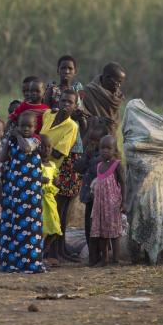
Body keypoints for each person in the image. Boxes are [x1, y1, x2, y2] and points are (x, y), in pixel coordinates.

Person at [0, 112, 47, 273]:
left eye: (29, 126)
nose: (26, 129)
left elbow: (26, 148)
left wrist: (18, 135)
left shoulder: (35, 140)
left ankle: (31, 262)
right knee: (14, 224)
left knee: (30, 225)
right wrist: (8, 138)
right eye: (22, 126)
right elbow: (2, 157)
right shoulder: (13, 141)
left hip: (31, 193)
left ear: (35, 127)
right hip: (15, 191)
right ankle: (13, 262)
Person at [40, 91, 81, 260]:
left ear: (75, 106)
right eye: (64, 100)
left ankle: (53, 251)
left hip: (52, 171)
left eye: (70, 102)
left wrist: (39, 150)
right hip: (38, 168)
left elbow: (58, 154)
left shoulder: (72, 126)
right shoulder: (48, 114)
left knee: (55, 212)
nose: (66, 104)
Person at [75, 120, 110, 266]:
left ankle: (103, 256)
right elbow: (78, 168)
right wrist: (86, 156)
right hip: (89, 198)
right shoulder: (88, 153)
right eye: (92, 140)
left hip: (101, 199)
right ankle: (92, 256)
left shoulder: (105, 157)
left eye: (97, 141)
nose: (93, 143)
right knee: (89, 227)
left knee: (100, 229)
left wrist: (89, 158)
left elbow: (98, 169)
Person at [90, 135, 126, 267]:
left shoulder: (117, 165)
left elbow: (123, 183)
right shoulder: (99, 165)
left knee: (114, 233)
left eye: (108, 148)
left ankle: (116, 260)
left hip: (113, 205)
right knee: (102, 234)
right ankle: (104, 259)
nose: (105, 151)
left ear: (114, 149)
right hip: (100, 205)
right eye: (102, 148)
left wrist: (124, 202)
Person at [38, 135, 63, 266]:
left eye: (48, 147)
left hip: (50, 200)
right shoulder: (36, 164)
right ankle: (39, 255)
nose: (46, 149)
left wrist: (57, 181)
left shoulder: (52, 165)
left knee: (55, 228)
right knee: (41, 228)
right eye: (43, 146)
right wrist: (40, 179)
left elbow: (56, 179)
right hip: (39, 200)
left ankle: (44, 251)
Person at [82, 62, 126, 132]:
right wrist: (97, 120)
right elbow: (81, 116)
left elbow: (115, 122)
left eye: (121, 83)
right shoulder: (88, 92)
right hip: (90, 137)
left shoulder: (117, 97)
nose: (119, 85)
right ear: (108, 78)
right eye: (118, 82)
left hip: (111, 139)